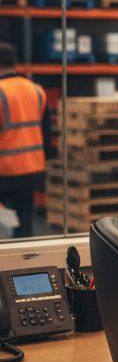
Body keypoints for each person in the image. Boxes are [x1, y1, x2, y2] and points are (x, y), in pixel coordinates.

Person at [0, 42, 50, 237]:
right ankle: (27, 266)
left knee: (5, 223)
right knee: (25, 225)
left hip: (4, 170)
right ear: (16, 62)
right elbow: (46, 132)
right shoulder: (36, 90)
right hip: (31, 168)